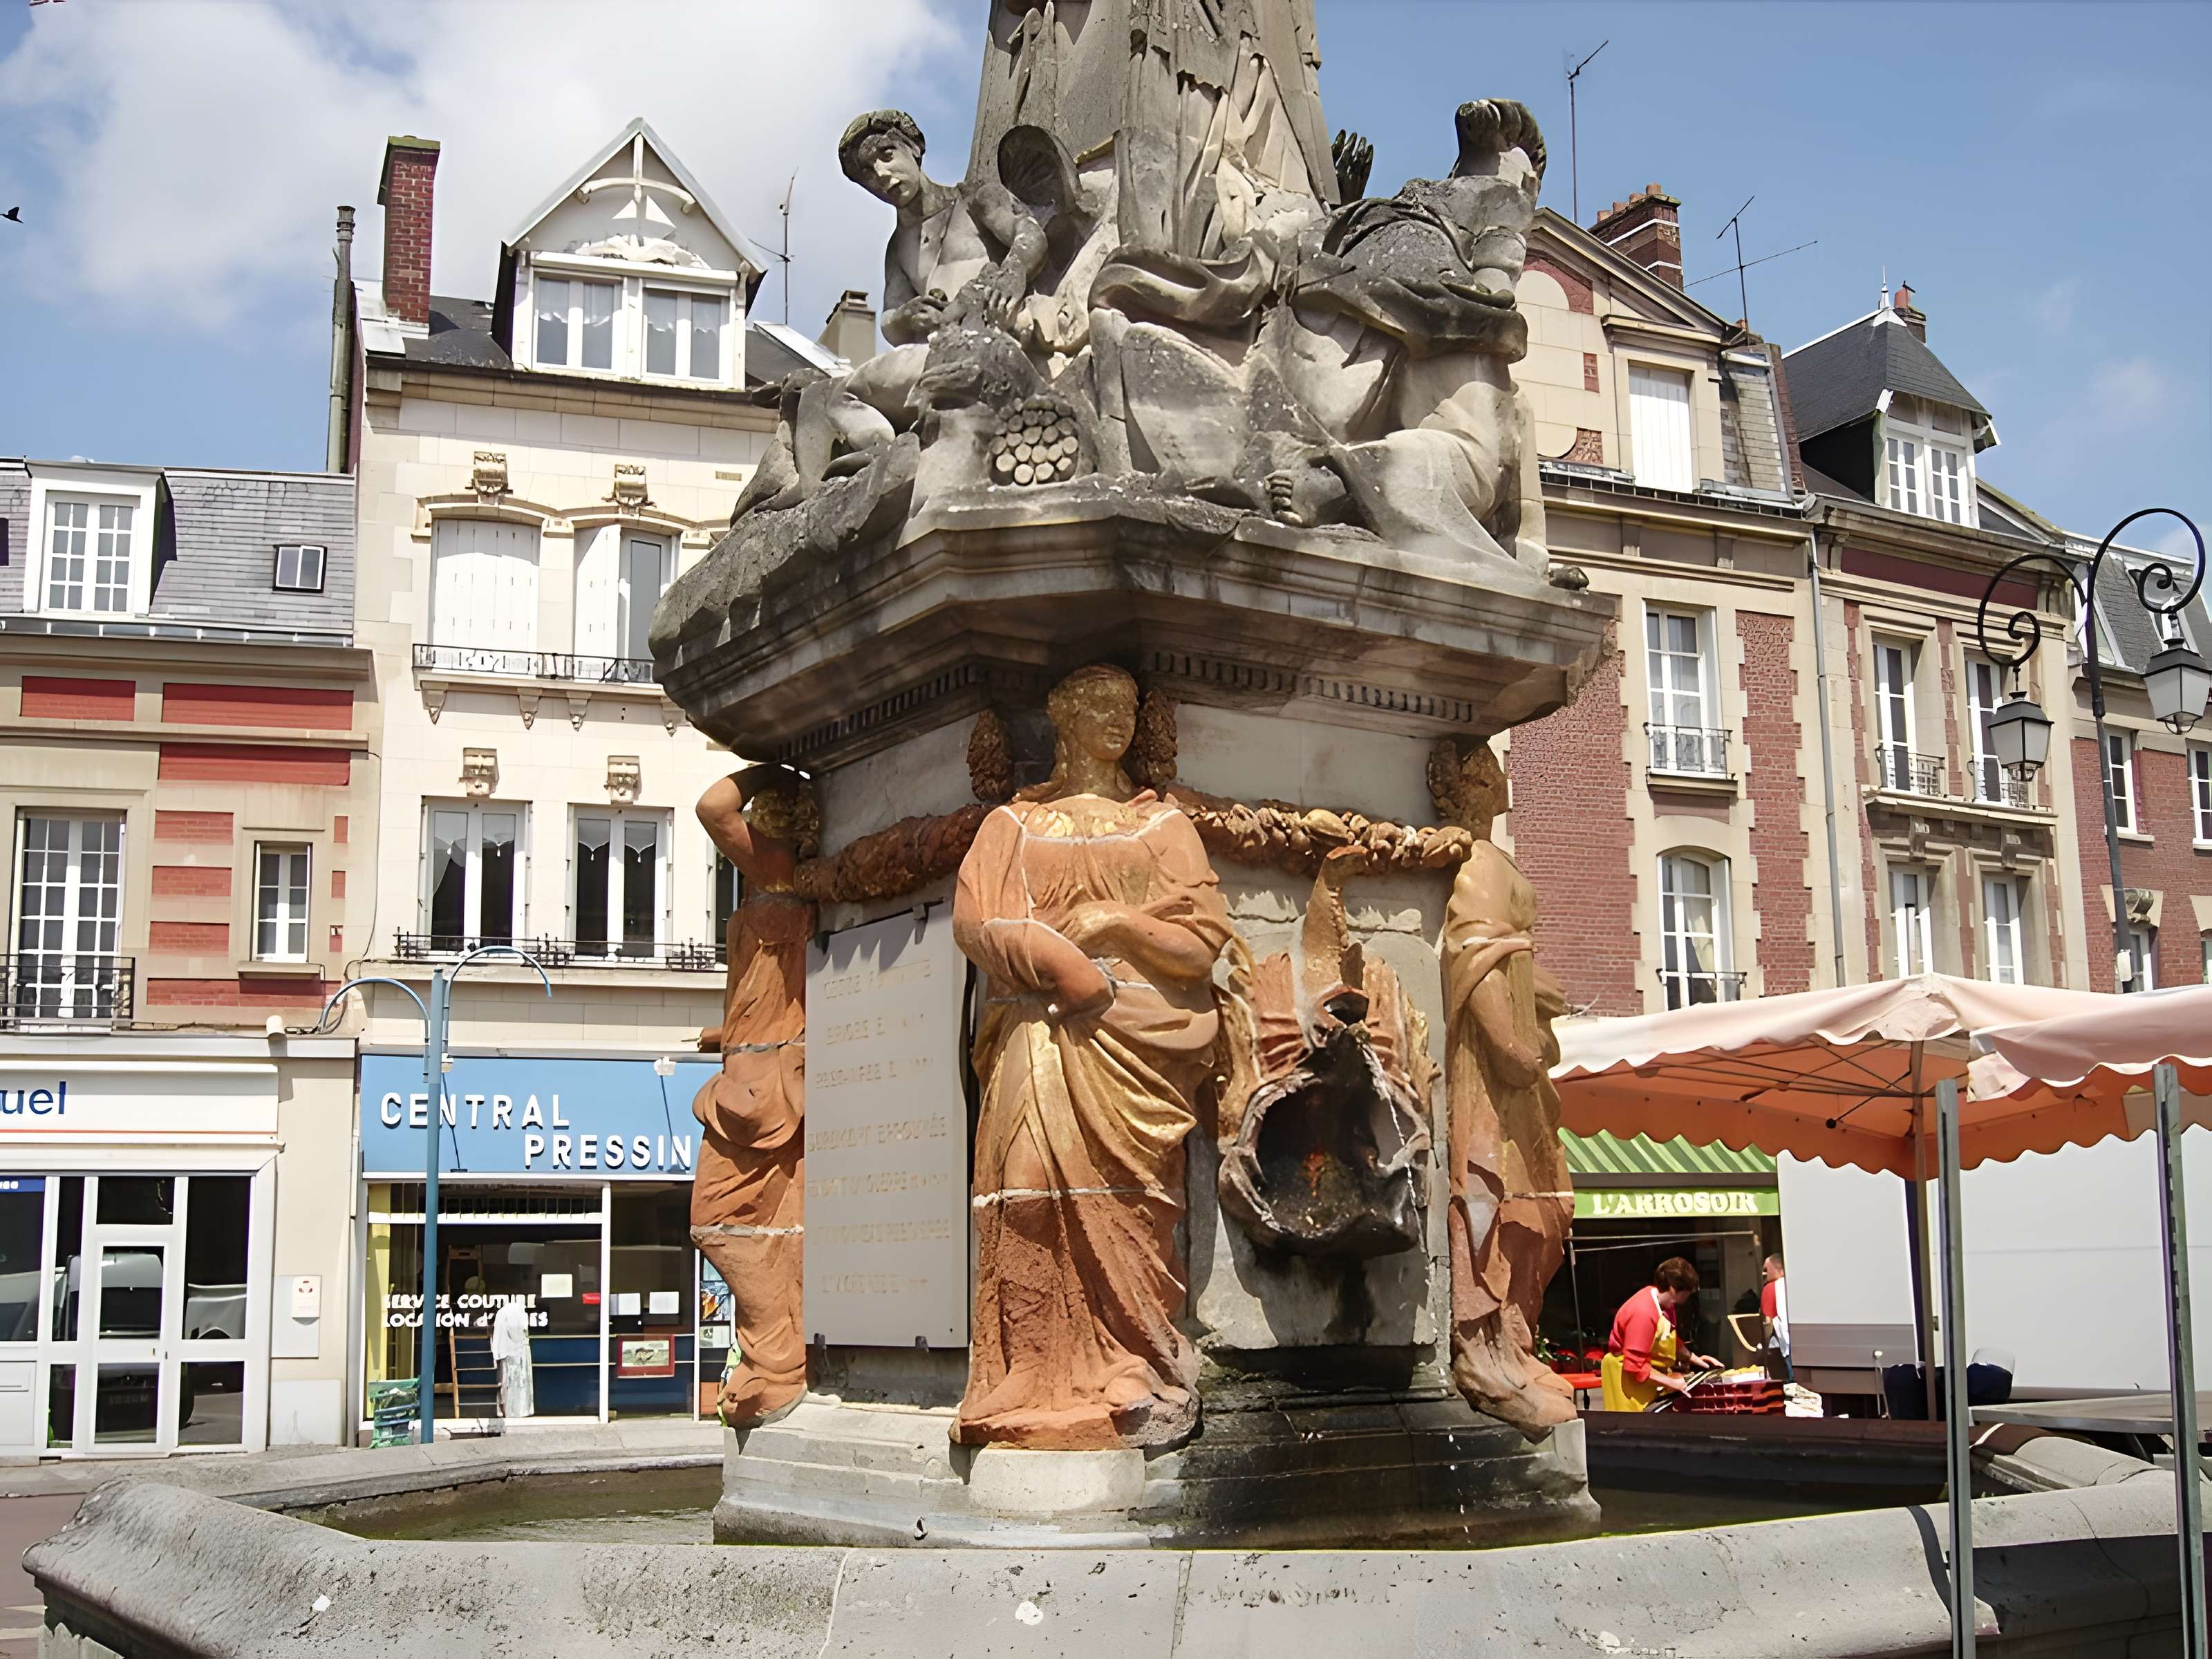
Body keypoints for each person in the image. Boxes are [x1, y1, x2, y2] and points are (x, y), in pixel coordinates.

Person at [951, 664, 1232, 1450]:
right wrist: (1042, 954)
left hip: (1136, 1046)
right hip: (1034, 1031)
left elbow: (1202, 943)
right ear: (1061, 717)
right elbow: (973, 922)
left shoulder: (1161, 826)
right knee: (1026, 1190)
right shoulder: (1009, 827)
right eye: (1099, 706)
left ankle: (1134, 1356)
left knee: (1132, 1201)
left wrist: (1117, 924)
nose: (1117, 721)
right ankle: (1028, 1367)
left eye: (1127, 708)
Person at [1600, 1257, 1723, 1412]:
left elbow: (1669, 1340)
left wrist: (1698, 1361)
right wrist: (1673, 1384)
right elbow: (1635, 1366)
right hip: (1628, 1381)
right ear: (1673, 1289)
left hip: (1649, 1377)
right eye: (1686, 1294)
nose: (1687, 1299)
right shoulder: (1643, 1313)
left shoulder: (1667, 1305)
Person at [1761, 1253, 1792, 1384]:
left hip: (1785, 1344)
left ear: (1779, 1269)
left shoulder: (1771, 1288)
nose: (1763, 1274)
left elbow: (1767, 1322)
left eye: (1766, 1269)